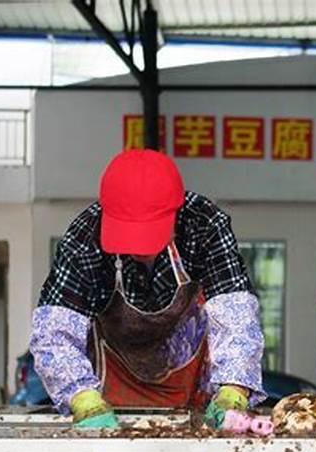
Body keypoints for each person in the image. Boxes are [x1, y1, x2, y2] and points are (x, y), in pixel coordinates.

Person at [30, 149, 265, 428]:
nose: (138, 249)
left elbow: (236, 317)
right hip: (107, 391)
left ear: (176, 214)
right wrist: (83, 399)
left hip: (190, 390)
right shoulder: (85, 235)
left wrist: (233, 391)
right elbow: (53, 334)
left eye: (149, 233)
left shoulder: (205, 225)